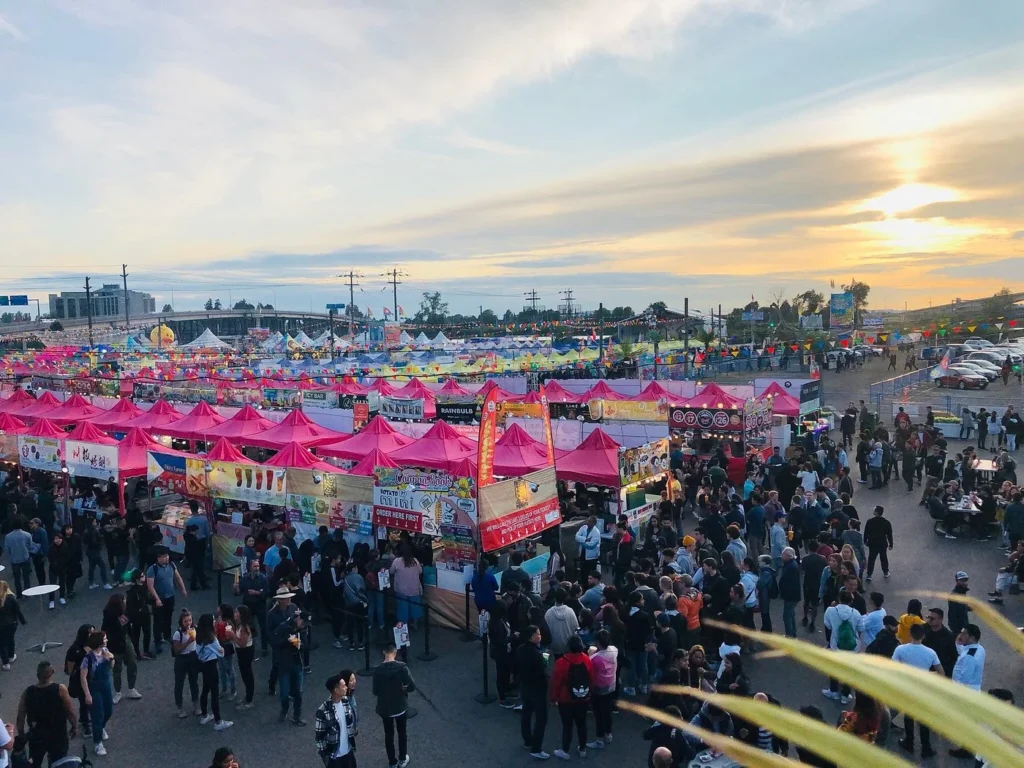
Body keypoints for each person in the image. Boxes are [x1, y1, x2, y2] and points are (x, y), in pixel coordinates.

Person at [892, 623, 942, 759]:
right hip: (924, 689)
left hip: (907, 688)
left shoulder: (900, 650)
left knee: (909, 716)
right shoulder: (931, 652)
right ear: (923, 636)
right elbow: (940, 672)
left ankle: (909, 742)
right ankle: (926, 747)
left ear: (910, 634)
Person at [15, 660, 76, 768]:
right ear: (52, 672)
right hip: (58, 735)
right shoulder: (60, 689)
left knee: (34, 763)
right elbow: (69, 711)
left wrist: (22, 735)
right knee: (58, 763)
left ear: (38, 675)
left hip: (37, 736)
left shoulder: (28, 692)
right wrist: (74, 725)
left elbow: (20, 717)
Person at [549, 635, 593, 760]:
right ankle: (583, 748)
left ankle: (565, 750)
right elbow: (591, 678)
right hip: (583, 698)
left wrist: (553, 698)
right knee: (582, 724)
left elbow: (556, 682)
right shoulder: (586, 659)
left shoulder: (562, 662)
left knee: (567, 726)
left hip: (566, 699)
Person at [372, 643, 416, 768]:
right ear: (395, 653)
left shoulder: (378, 670)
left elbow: (375, 691)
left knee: (388, 734)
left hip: (385, 708)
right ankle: (402, 759)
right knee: (402, 733)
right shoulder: (402, 668)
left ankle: (392, 761)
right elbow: (412, 686)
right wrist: (404, 689)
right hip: (400, 706)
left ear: (383, 653)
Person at [514, 625, 549, 760]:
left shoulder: (520, 649)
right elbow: (542, 672)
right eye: (538, 634)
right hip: (537, 689)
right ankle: (536, 748)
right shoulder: (536, 654)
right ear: (532, 637)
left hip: (525, 686)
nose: (540, 636)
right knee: (541, 719)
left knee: (526, 713)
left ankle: (527, 740)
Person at [80, 630, 115, 757]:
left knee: (109, 711)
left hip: (106, 685)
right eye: (104, 639)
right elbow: (83, 677)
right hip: (94, 688)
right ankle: (98, 743)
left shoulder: (105, 651)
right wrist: (87, 694)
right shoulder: (88, 658)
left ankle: (100, 728)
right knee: (97, 714)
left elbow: (111, 666)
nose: (106, 640)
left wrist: (110, 659)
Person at [100, 593, 141, 703]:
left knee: (132, 662)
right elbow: (104, 629)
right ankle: (118, 692)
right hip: (114, 643)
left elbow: (128, 625)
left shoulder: (125, 612)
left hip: (126, 639)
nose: (125, 602)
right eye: (124, 600)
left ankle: (131, 688)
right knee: (117, 668)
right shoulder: (109, 615)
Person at [195, 613, 233, 731]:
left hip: (204, 665)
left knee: (205, 690)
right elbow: (221, 653)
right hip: (211, 666)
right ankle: (218, 721)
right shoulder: (211, 639)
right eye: (213, 620)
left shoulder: (199, 636)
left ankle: (204, 715)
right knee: (214, 693)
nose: (214, 622)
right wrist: (222, 648)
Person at [146, 548, 187, 653]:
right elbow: (150, 586)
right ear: (158, 558)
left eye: (167, 556)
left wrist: (183, 589)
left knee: (168, 616)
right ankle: (157, 641)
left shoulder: (172, 565)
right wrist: (157, 598)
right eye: (164, 556)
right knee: (158, 620)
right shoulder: (152, 569)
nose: (166, 558)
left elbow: (178, 577)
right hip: (159, 598)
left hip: (170, 596)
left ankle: (167, 636)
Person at [273, 610, 308, 727]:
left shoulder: (302, 629)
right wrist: (287, 641)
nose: (304, 626)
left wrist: (298, 644)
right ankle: (284, 710)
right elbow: (275, 642)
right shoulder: (285, 626)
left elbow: (305, 645)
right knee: (284, 691)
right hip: (284, 664)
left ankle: (297, 716)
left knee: (298, 692)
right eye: (303, 623)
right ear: (298, 619)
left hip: (297, 663)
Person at [315, 674, 355, 768]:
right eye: (343, 686)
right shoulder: (323, 710)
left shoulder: (345, 701)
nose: (346, 687)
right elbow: (319, 737)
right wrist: (326, 757)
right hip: (334, 756)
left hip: (348, 752)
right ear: (336, 691)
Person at [64, 624, 94, 737]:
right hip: (80, 679)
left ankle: (84, 719)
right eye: (90, 633)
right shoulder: (74, 649)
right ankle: (86, 725)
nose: (92, 635)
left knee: (89, 700)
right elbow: (69, 668)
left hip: (92, 676)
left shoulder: (93, 645)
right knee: (84, 701)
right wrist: (74, 674)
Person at [236, 557, 270, 655]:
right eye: (254, 566)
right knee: (249, 626)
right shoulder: (245, 579)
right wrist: (235, 588)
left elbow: (267, 593)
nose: (257, 568)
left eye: (258, 566)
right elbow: (238, 592)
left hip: (260, 605)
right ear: (250, 567)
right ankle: (251, 645)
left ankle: (264, 647)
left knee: (263, 627)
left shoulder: (263, 578)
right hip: (248, 606)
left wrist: (257, 593)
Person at [171, 608, 201, 719]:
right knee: (179, 683)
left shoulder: (195, 628)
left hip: (193, 656)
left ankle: (196, 704)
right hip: (181, 660)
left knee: (194, 681)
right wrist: (188, 641)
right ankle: (180, 707)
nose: (188, 623)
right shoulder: (178, 634)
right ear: (181, 622)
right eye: (186, 621)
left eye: (190, 620)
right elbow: (177, 650)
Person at [390, 547, 423, 631]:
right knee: (415, 607)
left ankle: (404, 626)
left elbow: (391, 571)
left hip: (401, 589)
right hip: (414, 588)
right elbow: (420, 571)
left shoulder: (397, 561)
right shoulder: (415, 561)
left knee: (402, 608)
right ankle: (415, 624)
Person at [125, 569, 154, 660]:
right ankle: (137, 653)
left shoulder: (145, 587)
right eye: (142, 576)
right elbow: (130, 606)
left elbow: (148, 599)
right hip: (136, 616)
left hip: (145, 614)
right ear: (136, 579)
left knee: (147, 633)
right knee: (136, 635)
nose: (144, 577)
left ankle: (145, 651)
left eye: (143, 575)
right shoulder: (132, 592)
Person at [183, 499, 211, 591]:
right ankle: (201, 582)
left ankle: (194, 583)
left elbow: (185, 534)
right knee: (200, 563)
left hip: (191, 544)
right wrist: (207, 544)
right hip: (201, 542)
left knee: (194, 564)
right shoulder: (204, 519)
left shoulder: (188, 522)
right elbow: (207, 533)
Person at [922, 607, 957, 676]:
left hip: (940, 672)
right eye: (928, 617)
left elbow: (953, 657)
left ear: (940, 620)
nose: (929, 620)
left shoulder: (948, 636)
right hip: (924, 670)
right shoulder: (923, 630)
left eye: (932, 619)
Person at [544, 588, 579, 658]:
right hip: (568, 645)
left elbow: (546, 630)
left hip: (555, 646)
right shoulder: (570, 611)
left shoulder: (549, 613)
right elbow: (576, 627)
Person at [3, 519, 34, 598]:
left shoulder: (8, 536)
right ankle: (27, 592)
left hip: (14, 559)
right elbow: (30, 546)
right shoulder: (27, 535)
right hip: (25, 557)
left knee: (17, 578)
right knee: (26, 576)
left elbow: (7, 549)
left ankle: (19, 594)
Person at [233, 605, 256, 709]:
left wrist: (232, 636)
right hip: (241, 652)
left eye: (236, 612)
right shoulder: (239, 625)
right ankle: (247, 697)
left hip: (245, 652)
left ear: (241, 614)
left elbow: (242, 643)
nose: (234, 613)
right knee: (244, 674)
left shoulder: (244, 627)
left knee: (247, 675)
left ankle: (249, 700)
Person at [0, 580, 26, 670]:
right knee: (10, 639)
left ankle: (6, 663)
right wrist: (23, 621)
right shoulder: (11, 598)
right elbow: (17, 611)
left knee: (2, 644)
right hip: (12, 624)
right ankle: (11, 656)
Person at [952, 623, 985, 691]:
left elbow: (964, 680)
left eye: (964, 634)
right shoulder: (980, 648)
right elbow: (964, 652)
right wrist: (958, 644)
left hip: (966, 691)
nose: (961, 636)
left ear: (972, 638)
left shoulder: (969, 657)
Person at [863, 506, 892, 581]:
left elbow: (866, 532)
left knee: (871, 558)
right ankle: (885, 572)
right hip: (882, 543)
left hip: (873, 543)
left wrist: (865, 541)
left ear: (876, 512)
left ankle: (869, 575)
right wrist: (891, 544)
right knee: (883, 558)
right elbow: (889, 534)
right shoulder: (886, 522)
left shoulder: (869, 521)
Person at [948, 571, 971, 635]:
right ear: (957, 581)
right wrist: (958, 631)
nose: (964, 583)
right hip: (959, 629)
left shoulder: (962, 592)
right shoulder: (954, 596)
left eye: (965, 580)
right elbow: (952, 615)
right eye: (961, 580)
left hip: (964, 626)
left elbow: (962, 608)